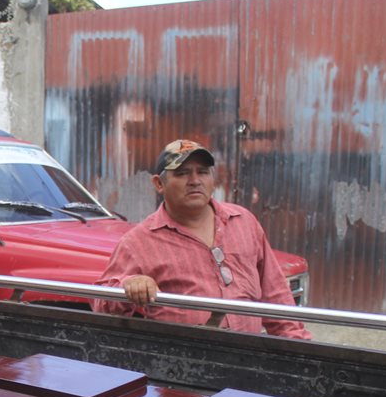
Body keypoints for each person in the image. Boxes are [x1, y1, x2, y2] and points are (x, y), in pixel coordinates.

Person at [92, 139, 311, 339]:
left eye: (203, 172)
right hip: (183, 365)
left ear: (212, 180)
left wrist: (299, 350)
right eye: (182, 173)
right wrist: (127, 286)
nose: (195, 181)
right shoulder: (139, 241)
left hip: (247, 359)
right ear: (159, 184)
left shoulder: (243, 221)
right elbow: (100, 305)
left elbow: (276, 295)